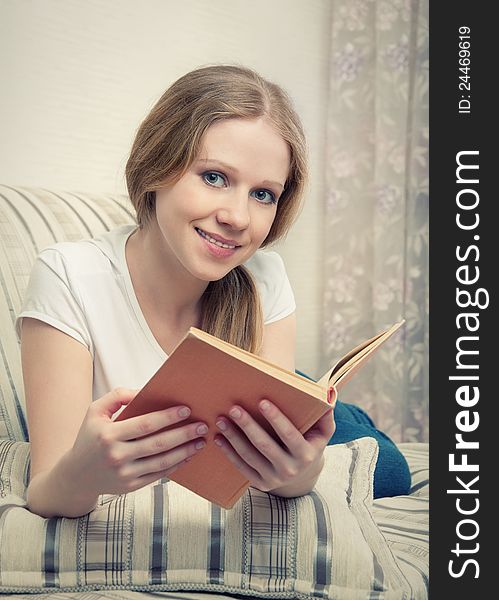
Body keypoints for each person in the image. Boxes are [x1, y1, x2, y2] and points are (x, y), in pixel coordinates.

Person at [17, 64, 409, 519]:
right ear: (156, 166)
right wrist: (83, 475)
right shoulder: (68, 275)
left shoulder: (264, 275)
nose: (238, 217)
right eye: (215, 177)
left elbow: (283, 483)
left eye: (263, 194)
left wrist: (296, 474)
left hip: (263, 378)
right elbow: (45, 492)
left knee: (392, 473)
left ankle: (336, 406)